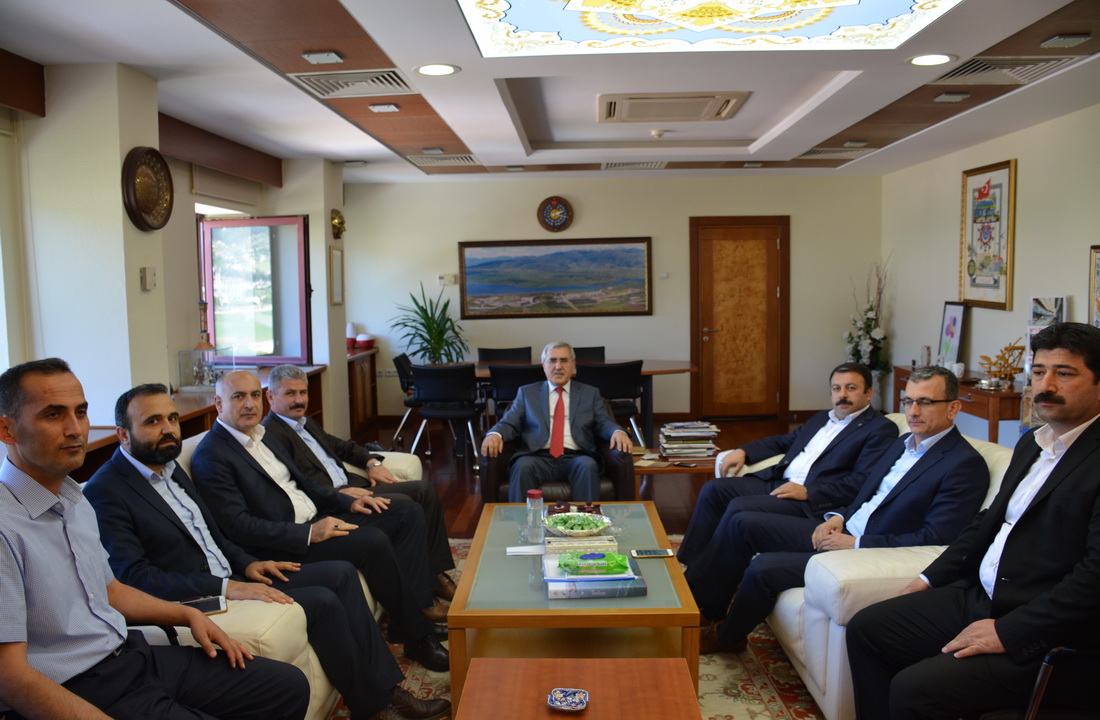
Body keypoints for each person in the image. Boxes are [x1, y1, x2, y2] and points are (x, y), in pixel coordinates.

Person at [83, 384, 451, 720]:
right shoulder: (107, 490)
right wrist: (228, 586)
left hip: (236, 573)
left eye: (173, 418)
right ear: (123, 434)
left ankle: (388, 690)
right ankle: (376, 706)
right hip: (200, 595)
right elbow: (135, 578)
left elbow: (215, 536)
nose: (168, 429)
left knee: (339, 573)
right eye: (152, 421)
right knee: (322, 599)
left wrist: (249, 564)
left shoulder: (169, 468)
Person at [0, 358, 309, 720]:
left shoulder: (74, 500)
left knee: (286, 686)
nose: (75, 429)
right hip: (76, 684)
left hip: (129, 656)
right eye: (53, 415)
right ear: (7, 430)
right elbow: (9, 675)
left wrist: (186, 614)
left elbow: (110, 590)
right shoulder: (7, 527)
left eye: (80, 412)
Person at [846, 322, 1100, 719]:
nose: (1045, 385)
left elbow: (1094, 577)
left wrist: (1009, 631)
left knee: (914, 690)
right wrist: (929, 578)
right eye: (1038, 372)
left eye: (1064, 374)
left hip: (1045, 629)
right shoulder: (1032, 442)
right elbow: (988, 520)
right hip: (980, 597)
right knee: (868, 628)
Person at [687, 365, 989, 653]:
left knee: (763, 567)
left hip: (866, 550)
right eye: (908, 401)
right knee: (742, 523)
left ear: (953, 408)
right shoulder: (902, 443)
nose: (913, 412)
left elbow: (937, 537)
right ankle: (700, 607)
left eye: (925, 402)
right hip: (843, 529)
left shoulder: (964, 465)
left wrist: (855, 543)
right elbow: (866, 493)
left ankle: (726, 639)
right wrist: (837, 517)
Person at [189, 371, 449, 672]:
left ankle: (410, 617)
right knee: (372, 541)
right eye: (238, 397)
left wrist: (348, 501)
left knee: (404, 512)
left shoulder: (262, 435)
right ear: (218, 403)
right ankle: (418, 637)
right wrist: (308, 533)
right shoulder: (212, 455)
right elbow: (238, 526)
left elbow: (306, 484)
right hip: (285, 542)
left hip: (316, 517)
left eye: (254, 395)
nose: (249, 404)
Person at [261, 365, 456, 601]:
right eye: (290, 393)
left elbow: (343, 446)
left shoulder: (305, 423)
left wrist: (372, 462)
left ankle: (434, 573)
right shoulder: (271, 434)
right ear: (270, 397)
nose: (299, 400)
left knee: (424, 490)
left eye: (303, 392)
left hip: (354, 486)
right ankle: (423, 593)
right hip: (334, 502)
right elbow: (297, 484)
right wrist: (339, 494)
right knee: (406, 506)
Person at [677, 362, 899, 567]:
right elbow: (785, 441)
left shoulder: (879, 428)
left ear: (868, 393)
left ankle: (710, 570)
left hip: (809, 500)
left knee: (739, 507)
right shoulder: (822, 417)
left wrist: (808, 491)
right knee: (714, 489)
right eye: (836, 388)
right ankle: (687, 562)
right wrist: (743, 451)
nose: (842, 395)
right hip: (779, 481)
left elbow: (862, 481)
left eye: (851, 388)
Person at [481, 341, 633, 502]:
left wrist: (617, 431)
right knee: (522, 466)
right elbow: (510, 422)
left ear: (573, 365)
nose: (558, 366)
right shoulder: (527, 393)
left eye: (564, 360)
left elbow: (603, 422)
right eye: (552, 361)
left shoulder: (590, 393)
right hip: (536, 457)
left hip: (576, 457)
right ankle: (522, 518)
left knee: (588, 465)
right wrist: (495, 434)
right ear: (544, 366)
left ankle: (584, 517)